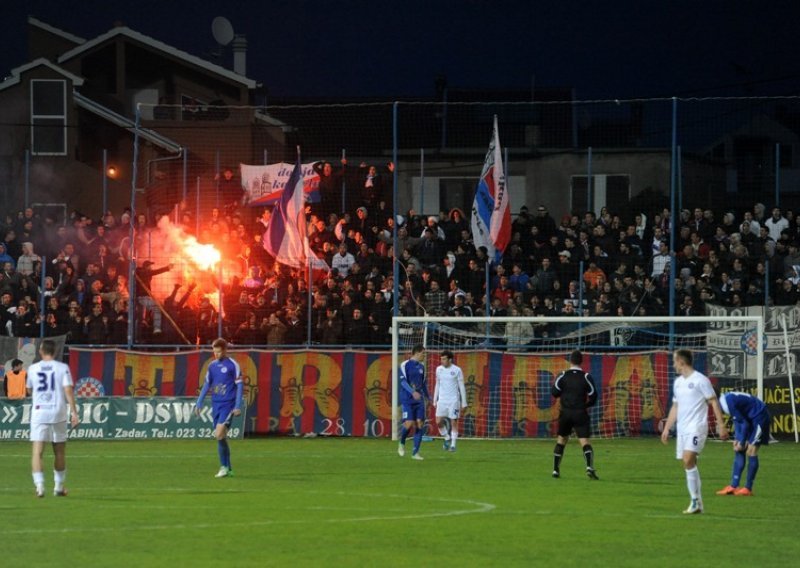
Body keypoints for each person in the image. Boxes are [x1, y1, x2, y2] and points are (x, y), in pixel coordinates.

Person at [660, 349, 728, 514]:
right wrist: (667, 428)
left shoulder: (700, 380)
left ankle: (695, 501)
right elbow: (675, 406)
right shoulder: (677, 382)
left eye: (675, 361)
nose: (673, 364)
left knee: (688, 459)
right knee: (688, 463)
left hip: (697, 427)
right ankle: (697, 502)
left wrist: (721, 425)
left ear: (682, 362)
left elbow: (713, 402)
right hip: (682, 429)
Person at [26, 339, 79, 497]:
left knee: (37, 451)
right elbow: (68, 390)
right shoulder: (62, 368)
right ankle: (58, 487)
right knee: (59, 451)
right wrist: (74, 413)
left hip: (39, 411)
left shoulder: (33, 368)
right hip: (58, 411)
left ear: (41, 351)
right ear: (55, 352)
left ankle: (40, 487)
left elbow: (29, 389)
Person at [194, 338, 243, 478]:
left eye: (219, 352)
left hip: (228, 404)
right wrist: (199, 402)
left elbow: (239, 385)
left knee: (219, 434)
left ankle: (223, 467)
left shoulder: (233, 365)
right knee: (221, 438)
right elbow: (206, 384)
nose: (216, 354)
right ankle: (229, 468)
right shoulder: (212, 366)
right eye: (214, 352)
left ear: (225, 350)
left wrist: (237, 406)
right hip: (216, 404)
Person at [551, 350, 599, 480]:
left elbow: (554, 392)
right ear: (581, 361)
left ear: (570, 361)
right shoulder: (586, 376)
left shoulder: (562, 375)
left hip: (565, 413)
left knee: (561, 440)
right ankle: (589, 467)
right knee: (584, 441)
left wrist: (565, 394)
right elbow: (594, 396)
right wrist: (586, 405)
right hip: (580, 413)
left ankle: (555, 470)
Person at [715, 391, 770, 496]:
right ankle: (733, 486)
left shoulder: (726, 403)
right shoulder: (725, 400)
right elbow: (739, 420)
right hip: (750, 418)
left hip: (760, 417)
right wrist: (738, 438)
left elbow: (743, 423)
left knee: (751, 450)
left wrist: (742, 441)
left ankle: (748, 488)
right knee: (739, 450)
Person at [397, 344, 429, 460]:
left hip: (419, 400)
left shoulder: (422, 367)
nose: (424, 356)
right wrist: (412, 392)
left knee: (420, 423)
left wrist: (428, 398)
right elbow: (403, 382)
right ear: (417, 353)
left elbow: (423, 384)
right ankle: (401, 442)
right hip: (407, 399)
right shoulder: (404, 365)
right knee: (409, 423)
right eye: (423, 353)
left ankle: (415, 453)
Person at [433, 350, 468, 452]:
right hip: (442, 400)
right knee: (438, 422)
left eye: (444, 359)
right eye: (441, 359)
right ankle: (447, 437)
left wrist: (464, 402)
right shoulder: (438, 369)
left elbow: (461, 386)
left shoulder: (457, 370)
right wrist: (435, 399)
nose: (442, 361)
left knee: (454, 422)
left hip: (453, 400)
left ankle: (453, 445)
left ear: (450, 359)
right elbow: (437, 384)